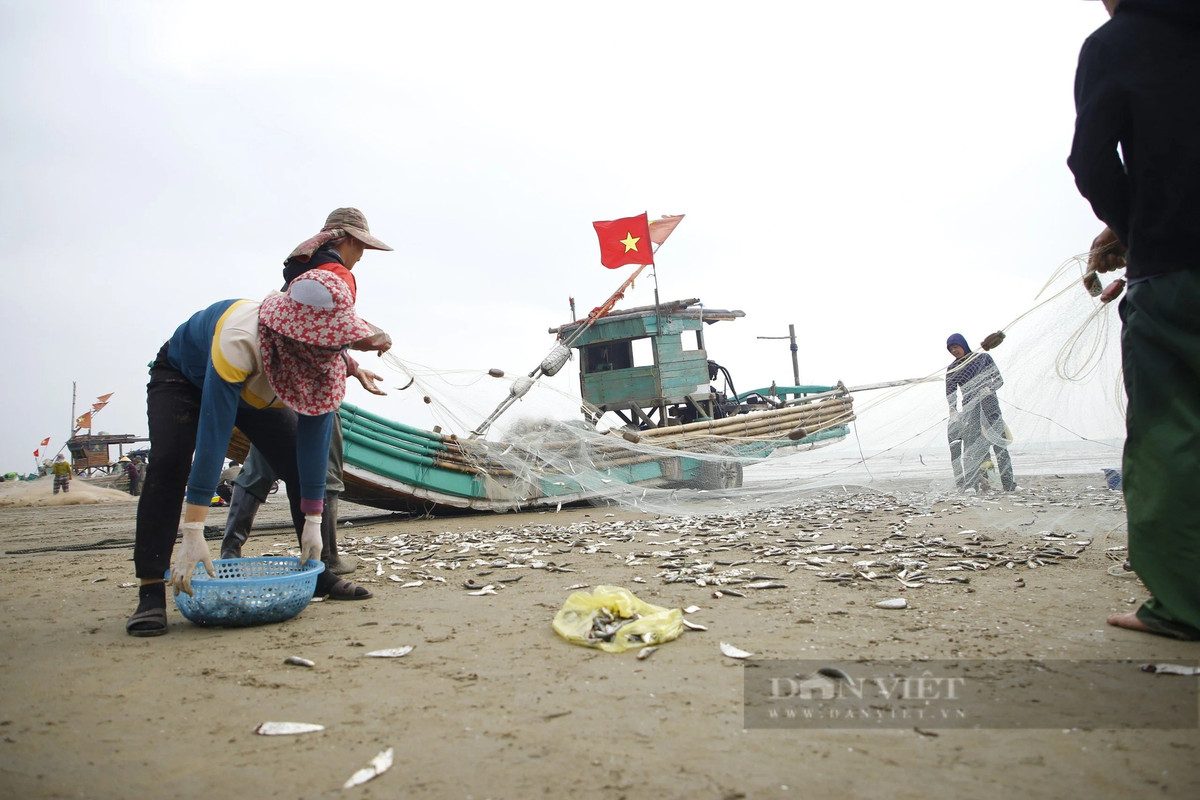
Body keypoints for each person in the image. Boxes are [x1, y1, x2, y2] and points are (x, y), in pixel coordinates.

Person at [125, 270, 377, 637]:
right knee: (168, 464)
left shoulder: (328, 362)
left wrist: (312, 521)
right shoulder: (239, 338)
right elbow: (214, 435)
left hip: (258, 390)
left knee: (295, 462)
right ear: (291, 333)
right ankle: (150, 590)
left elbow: (313, 445)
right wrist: (194, 529)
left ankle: (319, 571)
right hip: (186, 375)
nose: (328, 350)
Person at [1068, 0, 1200, 640]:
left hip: (1175, 271)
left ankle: (1184, 605)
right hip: (1165, 256)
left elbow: (1090, 163)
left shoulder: (1118, 41)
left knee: (1170, 435)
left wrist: (1135, 231)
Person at [221, 208, 391, 574]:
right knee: (324, 461)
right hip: (309, 383)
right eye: (360, 247)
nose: (361, 256)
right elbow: (330, 334)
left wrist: (355, 368)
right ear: (345, 240)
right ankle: (325, 556)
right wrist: (375, 340)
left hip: (274, 376)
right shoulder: (338, 274)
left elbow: (304, 331)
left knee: (263, 459)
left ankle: (230, 552)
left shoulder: (302, 269)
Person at [945, 334, 1016, 493]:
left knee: (1000, 445)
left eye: (956, 346)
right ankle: (971, 486)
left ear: (963, 344)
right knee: (971, 448)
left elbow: (999, 379)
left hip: (990, 406)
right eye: (951, 349)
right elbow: (950, 392)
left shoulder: (983, 358)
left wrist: (990, 388)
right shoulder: (953, 368)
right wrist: (953, 409)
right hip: (971, 410)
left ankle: (1009, 484)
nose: (954, 351)